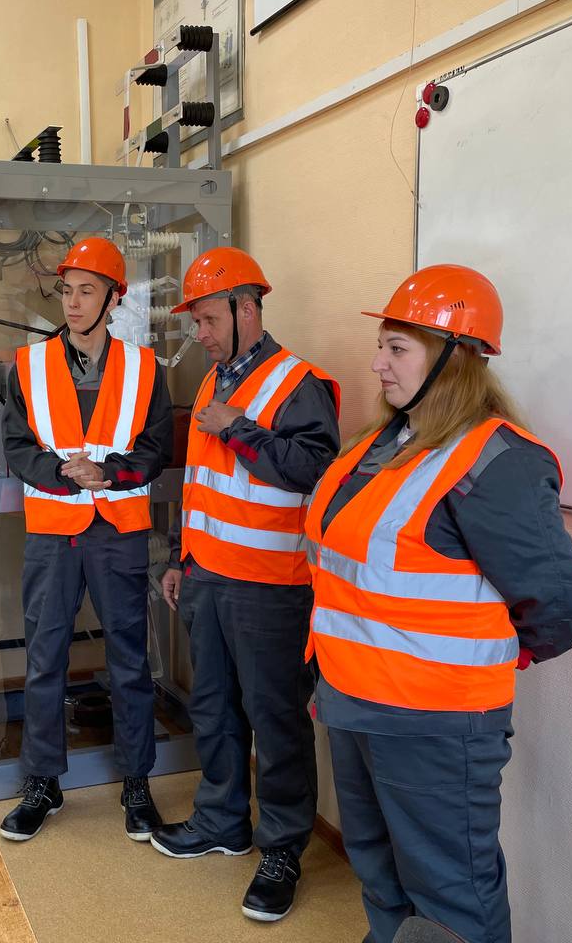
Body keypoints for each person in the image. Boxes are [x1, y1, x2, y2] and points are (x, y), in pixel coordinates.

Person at [304, 264, 572, 943]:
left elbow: (557, 607)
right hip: (352, 700)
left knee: (450, 896)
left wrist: (475, 662)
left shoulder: (494, 461)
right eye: (382, 346)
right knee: (379, 873)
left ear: (454, 359)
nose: (377, 364)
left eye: (397, 349)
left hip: (434, 721)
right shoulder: (382, 445)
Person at [151, 246, 341, 922]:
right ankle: (222, 820)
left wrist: (239, 427)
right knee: (214, 708)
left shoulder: (299, 384)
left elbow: (312, 469)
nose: (199, 333)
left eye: (208, 319)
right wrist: (181, 558)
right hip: (208, 577)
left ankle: (282, 848)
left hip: (271, 587)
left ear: (247, 308)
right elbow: (201, 485)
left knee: (276, 720)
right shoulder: (213, 380)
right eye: (196, 320)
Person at [0, 236, 172, 844]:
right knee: (44, 658)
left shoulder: (145, 368)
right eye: (67, 291)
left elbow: (155, 447)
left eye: (87, 291)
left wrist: (110, 473)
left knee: (129, 660)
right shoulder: (29, 365)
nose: (73, 303)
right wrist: (58, 472)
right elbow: (16, 445)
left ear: (114, 299)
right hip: (53, 530)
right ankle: (42, 783)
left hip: (119, 529)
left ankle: (136, 784)